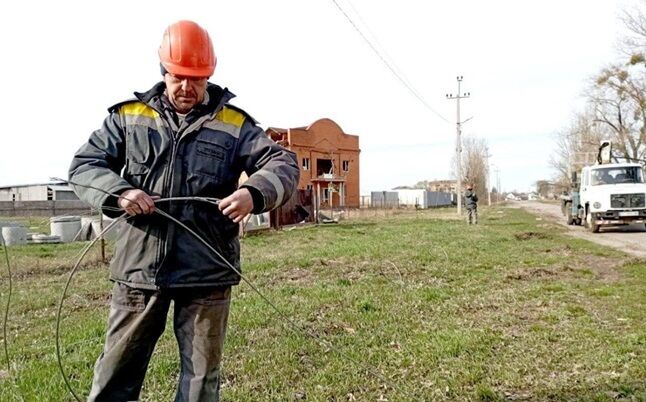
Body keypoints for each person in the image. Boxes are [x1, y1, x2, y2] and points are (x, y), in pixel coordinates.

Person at [69, 20, 299, 402]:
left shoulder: (234, 124)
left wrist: (254, 193)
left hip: (207, 272)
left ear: (209, 75)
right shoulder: (129, 117)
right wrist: (121, 192)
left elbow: (284, 163)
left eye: (198, 78)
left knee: (200, 383)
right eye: (179, 77)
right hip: (139, 271)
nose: (188, 88)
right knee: (116, 373)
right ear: (163, 71)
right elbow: (84, 166)